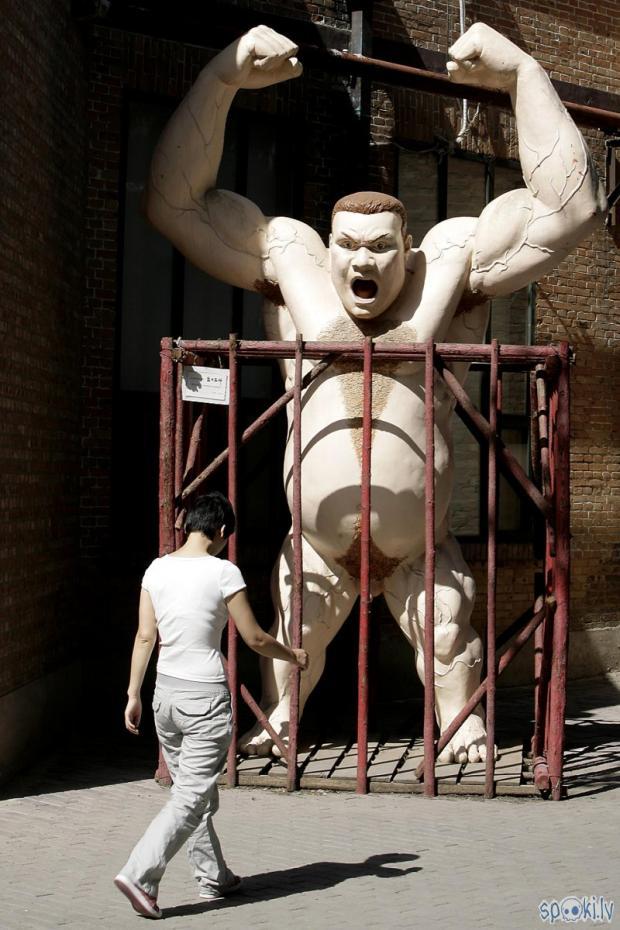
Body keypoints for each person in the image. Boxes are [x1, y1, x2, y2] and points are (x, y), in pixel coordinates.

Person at [144, 24, 606, 764]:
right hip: (317, 549)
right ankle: (282, 724)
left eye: (381, 248)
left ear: (407, 250)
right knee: (291, 630)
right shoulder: (291, 264)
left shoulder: (448, 268)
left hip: (422, 547)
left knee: (450, 632)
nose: (363, 261)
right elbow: (174, 205)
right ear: (329, 247)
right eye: (349, 247)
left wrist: (522, 73)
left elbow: (574, 209)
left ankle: (462, 728)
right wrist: (223, 76)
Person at [113, 491, 308, 920]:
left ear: (188, 525)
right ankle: (140, 873)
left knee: (193, 790)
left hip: (164, 695)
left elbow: (146, 637)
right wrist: (293, 655)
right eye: (225, 537)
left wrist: (133, 694)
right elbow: (255, 637)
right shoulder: (224, 572)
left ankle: (213, 876)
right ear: (221, 531)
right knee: (189, 795)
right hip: (204, 698)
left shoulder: (156, 569)